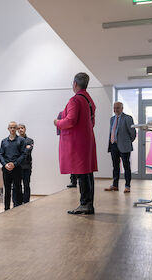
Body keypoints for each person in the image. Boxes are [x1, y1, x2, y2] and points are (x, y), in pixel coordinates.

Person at [54, 72, 97, 215]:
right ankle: (88, 204)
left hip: (77, 143)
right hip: (87, 140)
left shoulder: (75, 100)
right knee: (87, 173)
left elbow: (70, 121)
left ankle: (84, 204)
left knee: (81, 173)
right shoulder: (89, 100)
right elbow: (92, 122)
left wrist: (57, 122)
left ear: (75, 84)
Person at [104, 102, 136, 193]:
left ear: (122, 108)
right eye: (114, 108)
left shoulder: (128, 118)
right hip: (114, 145)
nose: (115, 110)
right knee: (115, 166)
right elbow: (112, 131)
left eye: (117, 108)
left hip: (124, 146)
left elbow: (133, 133)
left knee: (126, 166)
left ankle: (127, 186)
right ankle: (115, 185)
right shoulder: (112, 119)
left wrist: (127, 142)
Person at [0, 121, 26, 210]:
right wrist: (5, 164)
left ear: (17, 129)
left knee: (17, 189)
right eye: (11, 127)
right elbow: (1, 154)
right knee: (7, 189)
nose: (13, 129)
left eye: (15, 127)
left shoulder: (21, 140)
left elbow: (23, 154)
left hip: (17, 168)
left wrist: (14, 164)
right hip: (6, 169)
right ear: (8, 129)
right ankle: (6, 208)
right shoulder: (4, 141)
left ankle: (17, 208)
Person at [15, 123, 34, 204]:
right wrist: (25, 149)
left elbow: (28, 151)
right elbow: (16, 152)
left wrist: (21, 151)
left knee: (26, 185)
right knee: (17, 185)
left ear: (25, 129)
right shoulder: (15, 140)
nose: (20, 130)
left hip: (27, 166)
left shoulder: (30, 140)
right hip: (18, 166)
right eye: (18, 128)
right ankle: (18, 202)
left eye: (22, 128)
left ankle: (26, 202)